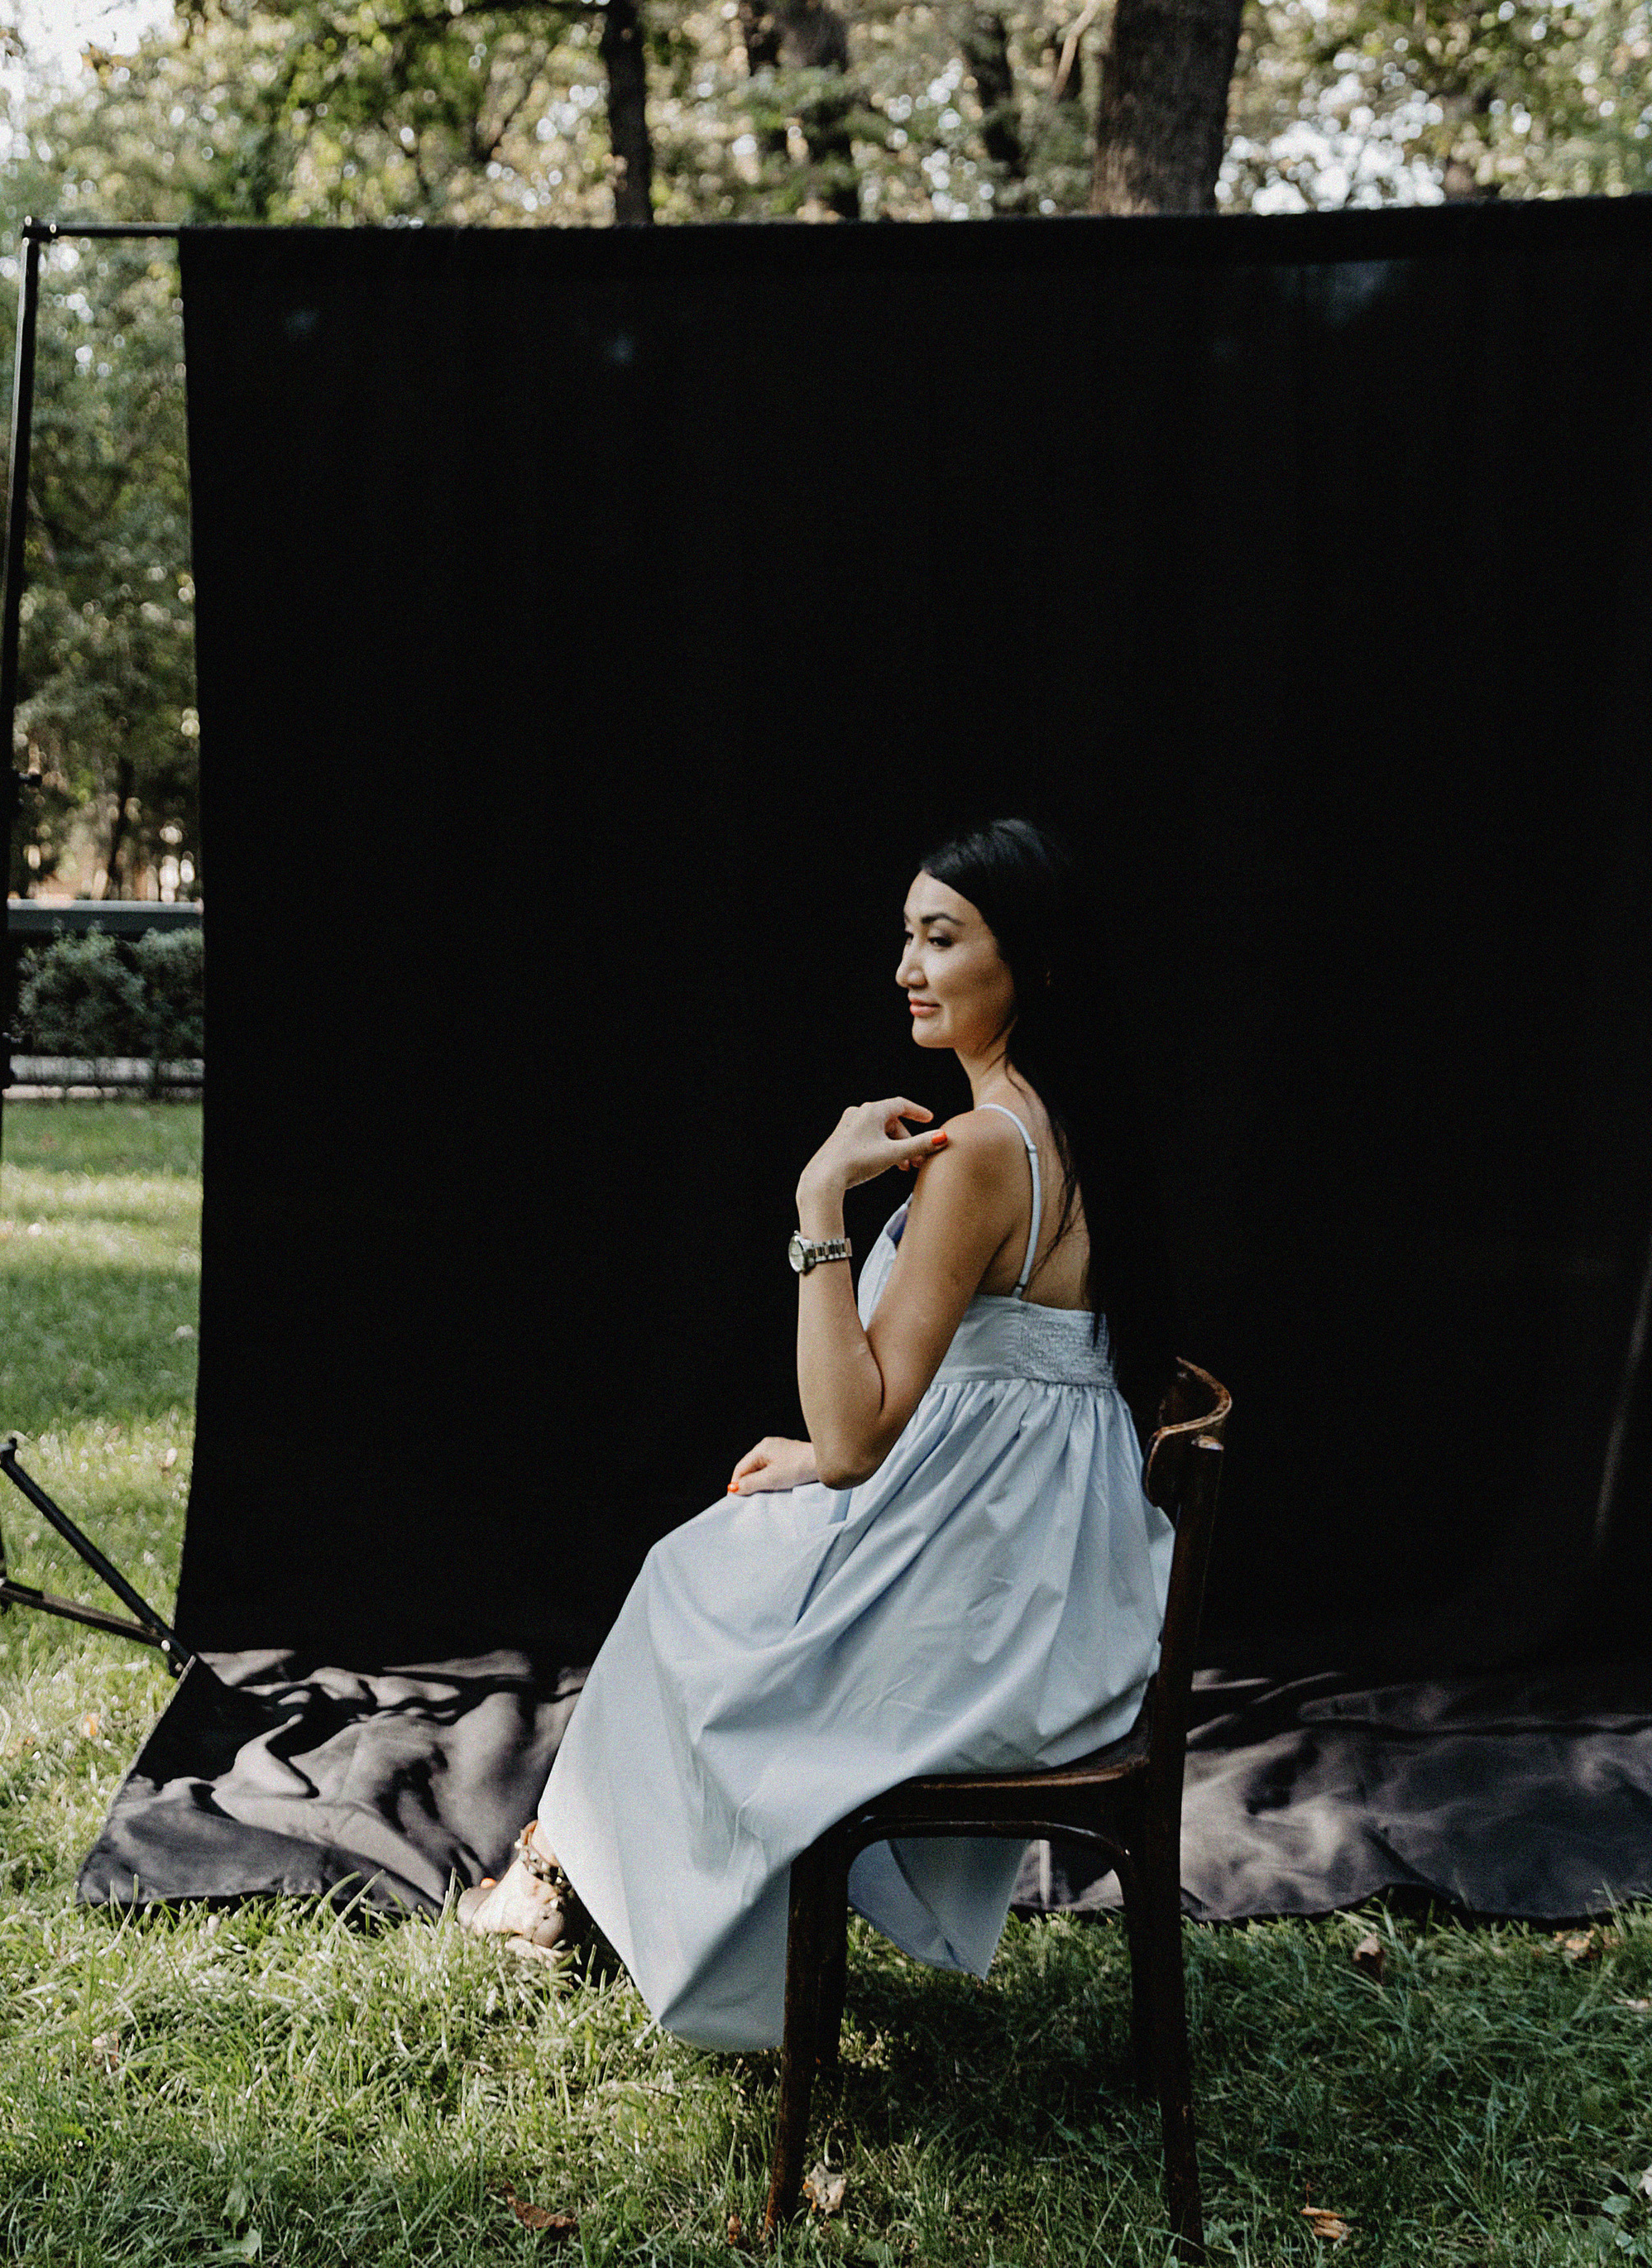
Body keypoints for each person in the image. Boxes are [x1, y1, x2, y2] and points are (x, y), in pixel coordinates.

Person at [456, 815, 1177, 2045]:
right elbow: (998, 1387)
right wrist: (826, 1462)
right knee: (730, 1542)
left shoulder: (983, 1155)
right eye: (905, 936)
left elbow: (851, 1439)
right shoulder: (1070, 1123)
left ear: (1031, 965)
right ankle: (561, 1873)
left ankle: (564, 1886)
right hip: (1056, 1583)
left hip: (994, 1610)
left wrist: (817, 1199)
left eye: (940, 938)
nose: (907, 967)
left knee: (690, 1585)